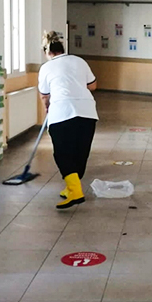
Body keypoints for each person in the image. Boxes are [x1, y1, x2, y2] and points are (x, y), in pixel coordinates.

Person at [38, 32, 98, 209]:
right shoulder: (79, 61)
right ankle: (71, 187)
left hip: (62, 113)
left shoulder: (46, 67)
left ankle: (76, 192)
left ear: (47, 52)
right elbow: (93, 85)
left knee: (63, 153)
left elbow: (44, 95)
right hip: (87, 112)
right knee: (80, 152)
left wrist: (47, 109)